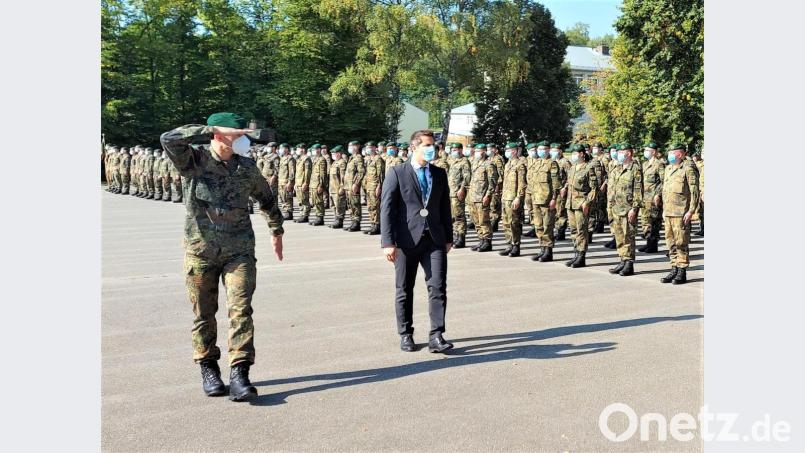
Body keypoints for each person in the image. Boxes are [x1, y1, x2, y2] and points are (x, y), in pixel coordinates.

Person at [160, 112, 284, 402]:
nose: (242, 139)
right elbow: (169, 139)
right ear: (218, 134)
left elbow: (266, 198)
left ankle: (240, 372)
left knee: (241, 310)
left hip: (239, 251)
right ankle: (209, 368)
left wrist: (276, 230)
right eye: (237, 134)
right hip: (201, 252)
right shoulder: (194, 161)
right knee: (204, 315)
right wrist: (209, 128)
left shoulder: (246, 167)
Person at [380, 129, 454, 354]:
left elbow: (445, 206)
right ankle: (406, 333)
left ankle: (436, 335)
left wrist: (448, 237)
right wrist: (387, 242)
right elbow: (387, 209)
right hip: (406, 240)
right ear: (414, 147)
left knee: (437, 286)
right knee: (404, 288)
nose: (432, 149)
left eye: (434, 146)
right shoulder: (397, 172)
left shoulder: (439, 173)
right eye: (427, 145)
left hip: (434, 239)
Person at [660, 143, 700, 285]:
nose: (670, 155)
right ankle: (674, 268)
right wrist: (664, 210)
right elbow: (665, 191)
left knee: (681, 242)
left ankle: (682, 271)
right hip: (669, 212)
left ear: (680, 154)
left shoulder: (688, 169)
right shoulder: (668, 169)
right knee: (670, 242)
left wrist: (691, 211)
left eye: (672, 152)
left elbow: (694, 192)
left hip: (681, 213)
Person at [607, 143, 643, 276]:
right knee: (619, 237)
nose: (618, 154)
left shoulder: (635, 169)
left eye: (621, 152)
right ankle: (622, 260)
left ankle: (629, 263)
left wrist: (634, 209)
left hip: (628, 209)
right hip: (616, 208)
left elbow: (638, 191)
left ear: (628, 153)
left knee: (628, 237)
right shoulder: (616, 168)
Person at [564, 144, 598, 268]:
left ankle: (581, 256)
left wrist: (587, 202)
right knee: (573, 230)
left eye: (575, 153)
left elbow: (594, 189)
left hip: (581, 204)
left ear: (582, 154)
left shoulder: (589, 168)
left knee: (581, 230)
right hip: (570, 203)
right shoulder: (572, 168)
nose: (573, 156)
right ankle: (576, 253)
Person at [526, 141, 561, 262]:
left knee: (547, 226)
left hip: (547, 200)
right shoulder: (536, 163)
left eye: (544, 149)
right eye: (539, 149)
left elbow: (556, 184)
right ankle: (542, 249)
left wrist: (554, 199)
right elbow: (532, 182)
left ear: (548, 150)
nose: (541, 151)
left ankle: (548, 251)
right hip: (536, 199)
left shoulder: (552, 164)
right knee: (538, 226)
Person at [498, 142, 527, 257]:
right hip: (505, 198)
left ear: (514, 151)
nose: (507, 152)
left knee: (514, 223)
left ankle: (516, 246)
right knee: (506, 223)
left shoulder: (520, 165)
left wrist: (518, 198)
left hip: (513, 198)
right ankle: (509, 244)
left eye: (509, 150)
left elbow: (522, 184)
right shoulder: (508, 164)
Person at [468, 143, 498, 252]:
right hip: (473, 197)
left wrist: (488, 195)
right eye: (475, 151)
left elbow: (492, 182)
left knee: (484, 221)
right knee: (476, 221)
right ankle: (481, 240)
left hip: (482, 198)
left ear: (484, 152)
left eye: (478, 151)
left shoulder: (489, 164)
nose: (476, 153)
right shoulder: (474, 163)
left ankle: (487, 242)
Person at [638, 142, 665, 253]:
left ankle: (653, 245)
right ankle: (648, 242)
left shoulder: (659, 164)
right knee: (645, 221)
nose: (645, 152)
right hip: (645, 198)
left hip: (654, 199)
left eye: (647, 150)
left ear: (653, 152)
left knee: (654, 222)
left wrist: (658, 194)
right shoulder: (644, 164)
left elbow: (664, 181)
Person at [447, 143, 471, 248]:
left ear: (461, 150)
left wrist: (462, 189)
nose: (454, 151)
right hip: (450, 192)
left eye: (456, 149)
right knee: (453, 216)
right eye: (452, 150)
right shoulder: (451, 160)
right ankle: (456, 235)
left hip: (458, 193)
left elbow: (467, 178)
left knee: (459, 216)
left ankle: (461, 238)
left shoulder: (464, 161)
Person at [363, 141, 385, 235]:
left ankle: (377, 225)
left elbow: (381, 175)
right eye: (367, 147)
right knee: (370, 206)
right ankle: (372, 224)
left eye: (371, 147)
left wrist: (379, 187)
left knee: (376, 206)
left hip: (375, 186)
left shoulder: (378, 159)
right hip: (369, 186)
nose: (369, 149)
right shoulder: (369, 159)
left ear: (375, 148)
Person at [343, 141, 365, 232]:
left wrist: (356, 184)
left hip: (353, 185)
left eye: (352, 146)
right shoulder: (351, 158)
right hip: (348, 186)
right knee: (350, 204)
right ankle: (352, 221)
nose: (350, 148)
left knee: (355, 204)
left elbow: (361, 172)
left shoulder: (358, 158)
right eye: (349, 146)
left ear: (357, 147)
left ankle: (356, 222)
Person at [328, 145, 348, 228]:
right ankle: (336, 219)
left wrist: (342, 187)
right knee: (334, 205)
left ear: (339, 153)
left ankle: (339, 221)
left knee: (339, 205)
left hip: (338, 188)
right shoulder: (334, 162)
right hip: (332, 188)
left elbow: (343, 177)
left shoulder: (342, 163)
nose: (332, 155)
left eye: (334, 153)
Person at [486, 143, 505, 232]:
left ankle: (494, 222)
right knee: (491, 203)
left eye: (491, 149)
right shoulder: (489, 159)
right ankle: (492, 221)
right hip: (490, 185)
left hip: (496, 185)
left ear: (495, 150)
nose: (489, 150)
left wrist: (498, 185)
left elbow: (501, 173)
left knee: (494, 204)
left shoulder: (498, 159)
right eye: (488, 149)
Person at [308, 144, 327, 226]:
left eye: (315, 150)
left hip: (318, 184)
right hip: (313, 183)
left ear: (319, 150)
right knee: (315, 201)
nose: (313, 151)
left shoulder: (322, 160)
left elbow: (322, 174)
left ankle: (320, 217)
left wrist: (321, 185)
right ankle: (317, 216)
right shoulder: (315, 159)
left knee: (319, 201)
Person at [294, 143, 312, 223]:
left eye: (298, 149)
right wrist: (295, 183)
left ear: (303, 150)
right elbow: (298, 173)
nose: (297, 150)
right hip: (298, 182)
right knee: (300, 200)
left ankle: (305, 215)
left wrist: (306, 183)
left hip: (303, 183)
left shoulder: (306, 159)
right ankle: (302, 214)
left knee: (304, 200)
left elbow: (307, 172)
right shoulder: (300, 159)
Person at [277, 143, 295, 219]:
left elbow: (292, 171)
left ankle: (289, 212)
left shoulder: (290, 158)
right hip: (281, 181)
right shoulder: (282, 158)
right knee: (282, 197)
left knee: (287, 197)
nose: (280, 150)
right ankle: (285, 211)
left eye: (282, 148)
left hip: (286, 182)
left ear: (286, 149)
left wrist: (290, 182)